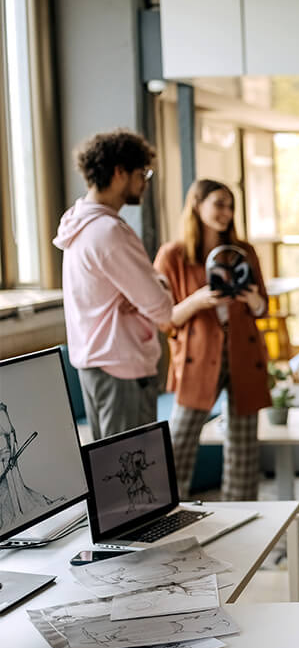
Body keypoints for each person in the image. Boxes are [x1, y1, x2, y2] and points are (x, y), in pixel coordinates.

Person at [153, 179, 272, 501]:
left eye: (230, 205)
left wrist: (251, 300)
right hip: (197, 357)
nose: (226, 212)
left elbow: (263, 309)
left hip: (244, 355)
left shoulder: (243, 252)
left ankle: (244, 519)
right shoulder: (173, 255)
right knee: (179, 443)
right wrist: (197, 301)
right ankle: (169, 515)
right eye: (219, 203)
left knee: (244, 450)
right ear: (197, 204)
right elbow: (163, 318)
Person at [53, 129, 173, 439]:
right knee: (132, 474)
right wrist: (159, 284)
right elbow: (162, 310)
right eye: (142, 173)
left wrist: (146, 287)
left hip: (94, 363)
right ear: (120, 173)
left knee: (109, 467)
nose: (145, 183)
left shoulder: (77, 221)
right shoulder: (109, 232)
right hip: (121, 365)